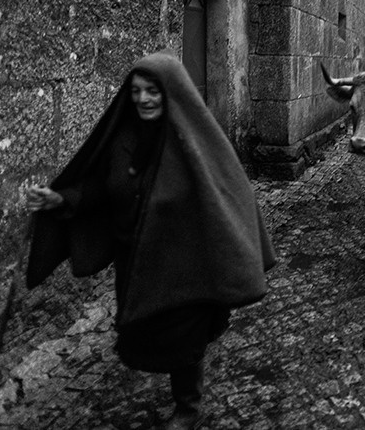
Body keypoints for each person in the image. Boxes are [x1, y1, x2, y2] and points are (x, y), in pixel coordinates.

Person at [26, 50, 276, 430]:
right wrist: (61, 199)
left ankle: (188, 407)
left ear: (171, 92)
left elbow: (227, 192)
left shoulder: (192, 141)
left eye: (153, 91)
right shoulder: (122, 138)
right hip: (139, 260)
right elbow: (100, 187)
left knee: (183, 337)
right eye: (137, 91)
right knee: (147, 332)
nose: (143, 99)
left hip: (185, 263)